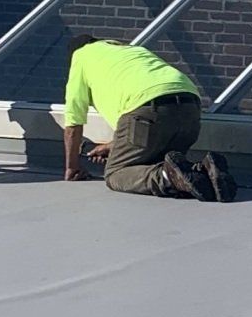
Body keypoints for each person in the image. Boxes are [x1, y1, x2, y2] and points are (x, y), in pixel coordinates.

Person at [61, 34, 236, 200]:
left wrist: (72, 167)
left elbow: (73, 124)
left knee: (116, 173)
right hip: (190, 107)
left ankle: (167, 177)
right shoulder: (131, 50)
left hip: (148, 110)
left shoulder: (81, 56)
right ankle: (206, 171)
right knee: (170, 164)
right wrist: (115, 147)